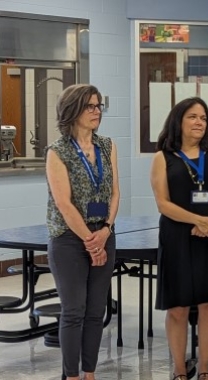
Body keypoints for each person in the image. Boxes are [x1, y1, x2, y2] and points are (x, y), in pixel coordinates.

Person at [150, 97, 208, 380]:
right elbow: (163, 204)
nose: (199, 122)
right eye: (193, 116)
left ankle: (204, 370)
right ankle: (179, 370)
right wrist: (197, 220)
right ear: (178, 121)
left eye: (203, 117)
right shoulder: (163, 157)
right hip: (178, 236)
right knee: (177, 307)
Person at [45, 84, 119, 380]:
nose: (96, 111)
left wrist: (106, 231)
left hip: (103, 234)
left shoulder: (108, 145)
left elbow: (114, 193)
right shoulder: (57, 151)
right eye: (90, 106)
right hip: (69, 239)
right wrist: (91, 242)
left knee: (95, 311)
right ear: (72, 111)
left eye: (99, 105)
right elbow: (64, 203)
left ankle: (89, 373)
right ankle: (71, 375)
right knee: (74, 311)